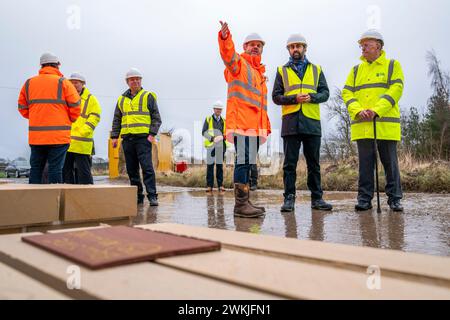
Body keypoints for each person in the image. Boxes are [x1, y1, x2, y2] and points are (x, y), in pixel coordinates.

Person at [342, 30, 405, 212]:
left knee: (390, 164)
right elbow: (347, 92)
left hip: (385, 125)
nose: (363, 48)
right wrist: (358, 110)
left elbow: (396, 89)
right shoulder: (355, 70)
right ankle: (364, 199)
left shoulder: (392, 65)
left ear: (378, 45)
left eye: (366, 44)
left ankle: (395, 199)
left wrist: (377, 110)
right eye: (361, 45)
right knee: (365, 165)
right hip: (363, 126)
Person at [272, 34, 333, 212]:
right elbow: (276, 97)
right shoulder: (281, 71)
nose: (295, 49)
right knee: (289, 164)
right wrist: (294, 98)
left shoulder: (317, 69)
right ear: (288, 50)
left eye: (298, 46)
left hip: (312, 123)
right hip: (290, 123)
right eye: (292, 47)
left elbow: (325, 93)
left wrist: (312, 97)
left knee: (314, 164)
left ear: (305, 48)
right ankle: (289, 199)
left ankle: (317, 199)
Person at [218, 21, 271, 218]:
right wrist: (225, 38)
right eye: (252, 44)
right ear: (245, 47)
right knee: (243, 162)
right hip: (241, 125)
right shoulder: (239, 64)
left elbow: (260, 106)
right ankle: (240, 206)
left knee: (248, 163)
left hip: (255, 128)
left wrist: (266, 127)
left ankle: (245, 202)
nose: (255, 46)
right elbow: (228, 55)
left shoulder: (260, 74)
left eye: (259, 44)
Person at [18, 52, 81, 184]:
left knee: (36, 168)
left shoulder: (29, 83)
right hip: (59, 137)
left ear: (41, 65)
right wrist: (69, 119)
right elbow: (76, 106)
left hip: (37, 137)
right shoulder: (64, 83)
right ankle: (54, 202)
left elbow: (22, 108)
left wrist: (36, 117)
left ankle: (34, 201)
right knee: (55, 169)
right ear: (58, 65)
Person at [111, 68, 162, 206]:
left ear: (141, 81)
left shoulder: (148, 96)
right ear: (127, 82)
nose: (135, 81)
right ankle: (137, 196)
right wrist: (115, 136)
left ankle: (152, 196)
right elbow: (117, 119)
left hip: (143, 139)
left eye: (138, 79)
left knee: (147, 168)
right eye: (132, 79)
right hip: (127, 139)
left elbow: (156, 118)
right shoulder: (121, 99)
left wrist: (152, 134)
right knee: (132, 169)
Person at [63, 72, 101, 184]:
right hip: (66, 141)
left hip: (82, 143)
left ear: (83, 84)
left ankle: (87, 198)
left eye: (77, 83)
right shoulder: (65, 98)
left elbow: (95, 116)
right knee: (66, 172)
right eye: (72, 83)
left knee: (84, 173)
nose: (74, 85)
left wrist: (83, 131)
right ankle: (69, 197)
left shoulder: (90, 99)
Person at [202, 100, 227, 193]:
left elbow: (227, 133)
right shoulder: (208, 119)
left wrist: (222, 137)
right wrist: (213, 139)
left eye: (220, 109)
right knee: (210, 166)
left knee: (220, 166)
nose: (218, 111)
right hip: (211, 146)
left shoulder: (224, 121)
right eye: (217, 109)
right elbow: (204, 132)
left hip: (221, 146)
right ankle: (209, 186)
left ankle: (220, 185)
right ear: (214, 109)